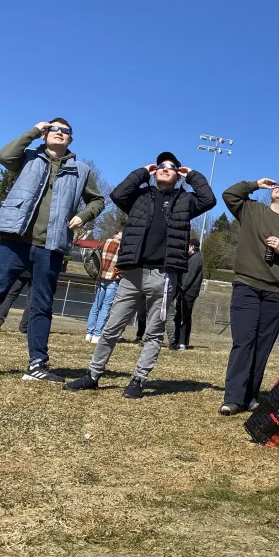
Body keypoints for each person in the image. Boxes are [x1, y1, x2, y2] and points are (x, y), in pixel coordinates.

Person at [0, 120, 104, 380]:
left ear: (71, 140)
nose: (60, 133)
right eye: (54, 129)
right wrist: (33, 131)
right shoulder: (27, 157)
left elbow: (98, 200)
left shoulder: (81, 170)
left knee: (42, 306)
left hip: (52, 245)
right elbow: (3, 156)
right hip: (15, 242)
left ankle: (37, 365)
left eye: (66, 131)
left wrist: (84, 215)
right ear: (44, 135)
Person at [65, 153, 216, 398]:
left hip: (163, 275)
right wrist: (142, 172)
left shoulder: (185, 200)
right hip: (132, 273)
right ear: (154, 172)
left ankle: (138, 380)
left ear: (178, 175)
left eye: (172, 168)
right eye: (161, 166)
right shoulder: (140, 197)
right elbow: (118, 194)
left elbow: (208, 199)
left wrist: (192, 176)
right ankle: (92, 374)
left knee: (154, 333)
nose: (166, 169)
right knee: (112, 327)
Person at [219, 179, 279, 415]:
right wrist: (255, 184)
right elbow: (229, 194)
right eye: (277, 185)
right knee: (244, 341)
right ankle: (233, 398)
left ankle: (251, 396)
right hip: (247, 284)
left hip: (277, 290)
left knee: (262, 345)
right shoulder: (252, 210)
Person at [85, 230, 123, 344]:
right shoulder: (123, 246)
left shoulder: (106, 242)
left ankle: (89, 333)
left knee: (96, 305)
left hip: (101, 277)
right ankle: (97, 334)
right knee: (106, 307)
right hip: (113, 279)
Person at [168, 238, 203, 350]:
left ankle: (183, 341)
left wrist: (182, 288)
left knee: (184, 316)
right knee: (181, 315)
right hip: (186, 291)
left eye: (188, 245)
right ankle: (180, 340)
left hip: (189, 292)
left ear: (192, 247)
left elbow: (189, 276)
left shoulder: (196, 258)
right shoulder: (193, 258)